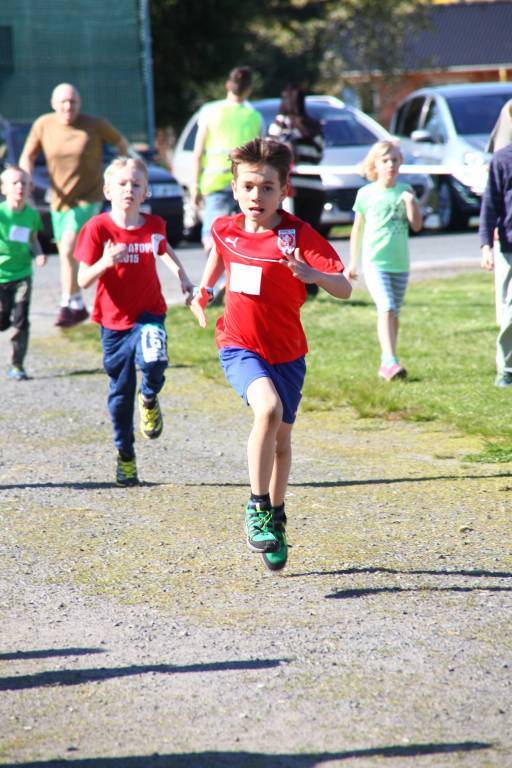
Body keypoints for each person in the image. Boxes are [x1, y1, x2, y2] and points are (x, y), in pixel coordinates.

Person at [190, 138, 352, 571]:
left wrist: (312, 273)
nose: (256, 196)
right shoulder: (225, 228)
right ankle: (257, 506)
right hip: (239, 345)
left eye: (266, 188)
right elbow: (219, 254)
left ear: (284, 190)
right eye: (247, 187)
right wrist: (203, 292)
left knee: (281, 441)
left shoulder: (296, 235)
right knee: (268, 410)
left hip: (288, 354)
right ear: (235, 188)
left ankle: (276, 518)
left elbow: (344, 287)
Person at [74, 157, 193, 486]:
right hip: (114, 322)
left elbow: (164, 249)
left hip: (149, 313)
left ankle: (150, 397)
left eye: (136, 184)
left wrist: (183, 277)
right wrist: (105, 261)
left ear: (145, 192)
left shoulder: (153, 224)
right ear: (108, 191)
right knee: (120, 393)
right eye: (122, 184)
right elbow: (83, 279)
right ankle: (125, 455)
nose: (129, 189)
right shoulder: (98, 228)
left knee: (155, 361)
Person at [19, 82, 129, 328]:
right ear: (53, 104)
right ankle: (75, 303)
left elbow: (121, 143)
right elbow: (28, 155)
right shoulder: (43, 124)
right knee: (66, 253)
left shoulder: (95, 124)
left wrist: (120, 170)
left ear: (80, 103)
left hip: (89, 197)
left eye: (73, 102)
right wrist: (26, 178)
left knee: (69, 245)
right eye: (63, 102)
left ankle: (69, 302)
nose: (68, 107)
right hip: (60, 200)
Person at [348, 140, 422, 381]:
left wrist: (411, 203)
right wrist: (353, 263)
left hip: (400, 264)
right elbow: (357, 229)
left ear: (401, 163)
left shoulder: (406, 190)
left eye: (395, 160)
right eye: (385, 160)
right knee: (386, 307)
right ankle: (390, 361)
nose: (391, 164)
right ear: (375, 165)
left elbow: (417, 225)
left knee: (394, 313)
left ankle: (387, 360)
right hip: (375, 263)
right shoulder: (366, 194)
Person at [191, 66, 263, 254]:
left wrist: (194, 187)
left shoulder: (210, 112)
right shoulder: (255, 116)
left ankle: (215, 265)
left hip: (215, 182)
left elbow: (198, 153)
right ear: (249, 90)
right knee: (245, 232)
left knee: (213, 232)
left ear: (228, 85)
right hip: (247, 183)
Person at [267, 84, 325, 297]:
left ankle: (293, 282)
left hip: (291, 189)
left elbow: (271, 152)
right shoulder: (312, 125)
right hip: (314, 187)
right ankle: (312, 284)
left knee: (289, 238)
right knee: (310, 237)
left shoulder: (280, 124)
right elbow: (319, 154)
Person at [0, 165, 47, 380]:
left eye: (24, 183)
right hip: (1, 275)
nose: (20, 187)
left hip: (22, 276)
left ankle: (17, 365)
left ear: (30, 188)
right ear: (4, 188)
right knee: (2, 320)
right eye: (15, 183)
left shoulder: (31, 214)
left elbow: (33, 240)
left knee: (21, 320)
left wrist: (39, 254)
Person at [479, 142, 512, 387]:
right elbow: (490, 204)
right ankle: (507, 369)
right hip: (509, 245)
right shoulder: (502, 159)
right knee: (510, 311)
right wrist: (486, 246)